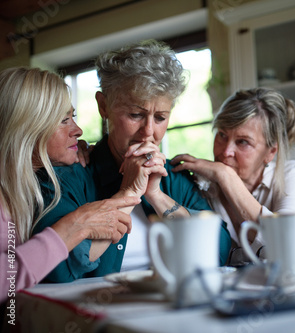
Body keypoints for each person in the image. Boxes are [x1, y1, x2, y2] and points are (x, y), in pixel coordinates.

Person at [34, 40, 231, 282]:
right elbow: (55, 271)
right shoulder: (65, 178)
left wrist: (157, 196)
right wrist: (129, 193)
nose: (148, 132)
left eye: (160, 117)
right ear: (103, 105)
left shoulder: (174, 176)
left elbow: (219, 251)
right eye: (135, 115)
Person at [0, 67, 140, 303]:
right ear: (25, 129)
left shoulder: (28, 189)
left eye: (73, 117)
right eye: (64, 120)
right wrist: (73, 226)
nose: (78, 130)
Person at [170, 87, 295, 264]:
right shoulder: (199, 183)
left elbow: (288, 244)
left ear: (270, 152)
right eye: (221, 135)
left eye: (243, 142)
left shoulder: (291, 173)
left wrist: (226, 175)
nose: (226, 151)